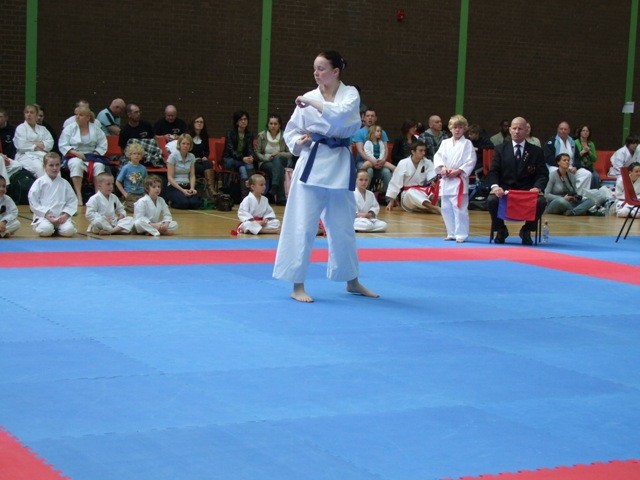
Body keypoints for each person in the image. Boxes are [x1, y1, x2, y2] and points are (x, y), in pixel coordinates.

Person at [273, 50, 378, 303]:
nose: (316, 73)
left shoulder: (350, 94)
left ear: (335, 71)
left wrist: (311, 103)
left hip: (340, 165)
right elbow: (291, 130)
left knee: (343, 227)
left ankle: (351, 280)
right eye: (314, 69)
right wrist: (299, 141)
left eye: (321, 69)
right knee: (302, 225)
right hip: (312, 163)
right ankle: (297, 285)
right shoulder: (308, 96)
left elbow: (341, 115)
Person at [487, 117, 548, 245]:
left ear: (526, 130)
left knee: (541, 202)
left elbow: (542, 174)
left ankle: (527, 230)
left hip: (527, 191)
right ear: (510, 130)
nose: (517, 131)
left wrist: (537, 187)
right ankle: (501, 230)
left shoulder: (536, 151)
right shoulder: (500, 149)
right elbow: (493, 172)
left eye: (520, 129)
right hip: (505, 190)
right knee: (492, 200)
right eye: (514, 128)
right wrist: (495, 187)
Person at [434, 115, 476, 242]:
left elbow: (471, 161)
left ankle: (461, 234)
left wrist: (458, 170)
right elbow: (438, 157)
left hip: (458, 179)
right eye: (455, 127)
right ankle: (451, 233)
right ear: (450, 128)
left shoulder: (467, 143)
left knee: (459, 208)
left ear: (464, 129)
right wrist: (442, 168)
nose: (457, 130)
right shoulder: (445, 143)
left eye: (460, 127)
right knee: (446, 208)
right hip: (446, 179)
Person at [58, 105, 109, 205]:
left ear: (88, 117)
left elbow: (102, 144)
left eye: (80, 115)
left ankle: (97, 196)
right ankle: (78, 195)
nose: (77, 117)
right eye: (76, 115)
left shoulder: (96, 129)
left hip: (92, 156)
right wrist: (75, 153)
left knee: (99, 166)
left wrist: (95, 154)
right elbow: (63, 144)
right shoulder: (70, 128)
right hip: (74, 155)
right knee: (76, 164)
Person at [28, 152, 77, 237]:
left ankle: (57, 229)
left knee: (69, 231)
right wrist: (46, 215)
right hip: (44, 217)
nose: (55, 168)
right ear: (44, 166)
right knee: (46, 230)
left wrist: (65, 215)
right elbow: (33, 202)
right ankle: (49, 228)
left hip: (61, 218)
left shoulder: (65, 183)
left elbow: (72, 201)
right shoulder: (39, 182)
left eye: (57, 165)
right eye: (51, 165)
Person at [386, 140, 441, 214]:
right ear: (413, 152)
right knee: (411, 192)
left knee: (435, 191)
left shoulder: (427, 162)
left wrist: (432, 181)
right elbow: (395, 182)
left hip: (422, 191)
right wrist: (391, 201)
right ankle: (435, 208)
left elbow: (431, 174)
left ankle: (427, 208)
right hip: (407, 196)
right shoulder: (403, 163)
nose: (423, 153)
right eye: (421, 151)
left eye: (424, 150)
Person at [543, 121, 592, 195]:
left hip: (570, 167)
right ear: (558, 130)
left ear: (569, 131)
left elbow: (577, 157)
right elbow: (548, 158)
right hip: (556, 167)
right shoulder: (552, 141)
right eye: (561, 129)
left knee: (587, 174)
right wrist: (562, 167)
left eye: (565, 129)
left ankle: (577, 195)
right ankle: (561, 195)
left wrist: (575, 167)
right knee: (555, 172)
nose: (563, 131)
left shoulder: (572, 142)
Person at [255, 113, 292, 205]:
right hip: (265, 162)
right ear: (268, 125)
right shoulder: (262, 136)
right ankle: (281, 198)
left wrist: (279, 154)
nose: (273, 126)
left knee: (277, 159)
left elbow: (290, 153)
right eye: (271, 123)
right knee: (279, 170)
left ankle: (274, 185)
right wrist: (268, 157)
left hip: (282, 160)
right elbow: (257, 153)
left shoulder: (284, 136)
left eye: (275, 124)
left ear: (279, 125)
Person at [13, 104, 54, 177]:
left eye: (31, 112)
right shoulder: (21, 128)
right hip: (25, 156)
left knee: (54, 166)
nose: (29, 114)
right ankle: (44, 184)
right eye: (27, 112)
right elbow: (21, 145)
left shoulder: (43, 129)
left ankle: (55, 184)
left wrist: (32, 143)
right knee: (40, 167)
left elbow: (50, 143)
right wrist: (38, 146)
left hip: (42, 155)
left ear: (37, 115)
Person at [223, 110, 256, 196]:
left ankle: (245, 196)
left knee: (243, 169)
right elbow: (231, 151)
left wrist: (251, 156)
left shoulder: (249, 134)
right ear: (236, 122)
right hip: (230, 159)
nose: (243, 121)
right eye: (241, 119)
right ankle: (253, 192)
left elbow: (250, 148)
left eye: (245, 119)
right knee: (247, 165)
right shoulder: (230, 133)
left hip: (242, 161)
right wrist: (243, 158)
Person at [165, 133, 201, 209]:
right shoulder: (173, 156)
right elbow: (170, 178)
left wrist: (192, 188)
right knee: (183, 204)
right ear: (179, 144)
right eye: (183, 143)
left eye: (188, 144)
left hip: (187, 185)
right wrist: (182, 190)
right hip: (174, 186)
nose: (185, 146)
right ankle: (171, 202)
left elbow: (192, 175)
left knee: (195, 204)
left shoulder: (192, 156)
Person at [186, 115, 215, 197]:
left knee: (209, 164)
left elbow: (207, 150)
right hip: (191, 161)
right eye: (197, 122)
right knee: (200, 167)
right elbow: (186, 151)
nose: (199, 123)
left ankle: (211, 189)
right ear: (193, 123)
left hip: (201, 160)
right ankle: (205, 189)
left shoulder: (205, 136)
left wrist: (205, 156)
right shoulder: (188, 136)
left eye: (201, 122)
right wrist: (194, 158)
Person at [116, 142, 147, 212]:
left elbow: (146, 182)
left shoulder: (143, 168)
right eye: (134, 153)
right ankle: (125, 204)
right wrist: (125, 194)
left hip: (141, 193)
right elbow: (117, 182)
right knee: (134, 210)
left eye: (139, 154)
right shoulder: (126, 168)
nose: (137, 156)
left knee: (144, 209)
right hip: (130, 193)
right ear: (129, 155)